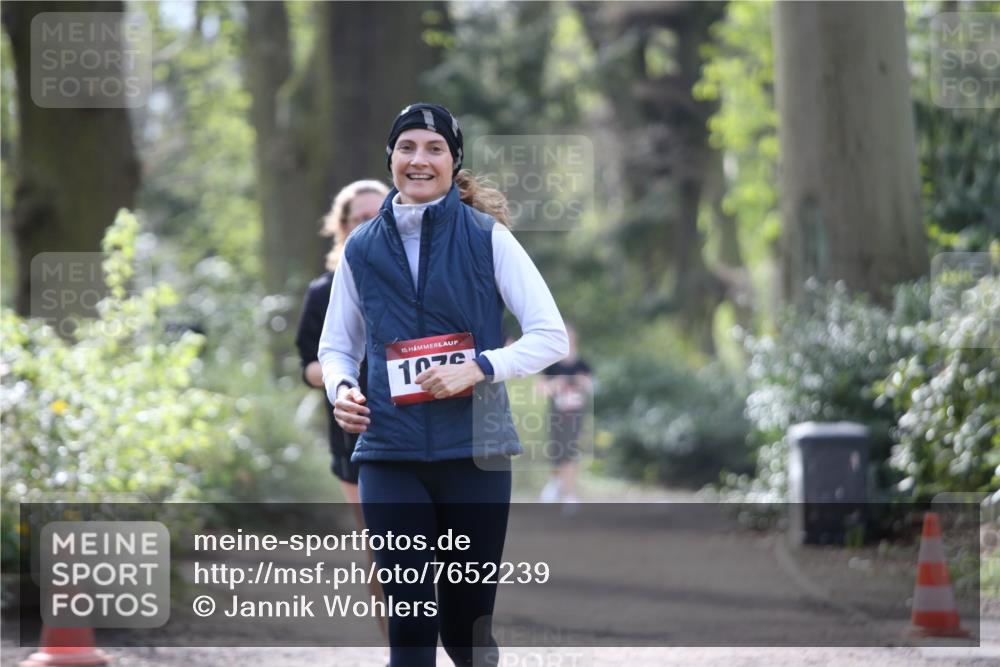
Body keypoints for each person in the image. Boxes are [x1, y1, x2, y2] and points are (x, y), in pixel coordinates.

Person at [318, 103, 568, 666]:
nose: (419, 159)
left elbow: (551, 336)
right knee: (409, 628)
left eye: (434, 148)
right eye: (407, 147)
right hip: (389, 453)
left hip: (474, 456)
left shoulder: (488, 238)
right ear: (391, 159)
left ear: (455, 162)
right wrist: (341, 391)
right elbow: (337, 346)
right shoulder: (361, 248)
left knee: (465, 631)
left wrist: (479, 366)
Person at [294, 178, 390, 643]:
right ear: (342, 227)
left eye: (380, 215)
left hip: (420, 424)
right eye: (360, 219)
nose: (370, 225)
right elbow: (308, 366)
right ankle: (400, 643)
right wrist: (342, 380)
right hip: (354, 429)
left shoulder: (411, 279)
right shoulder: (324, 291)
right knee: (380, 542)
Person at [538, 324, 592, 505]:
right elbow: (540, 389)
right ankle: (558, 484)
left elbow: (593, 387)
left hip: (575, 416)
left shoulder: (582, 365)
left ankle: (569, 493)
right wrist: (555, 384)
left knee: (570, 451)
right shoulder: (552, 366)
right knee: (557, 452)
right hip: (556, 415)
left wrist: (581, 382)